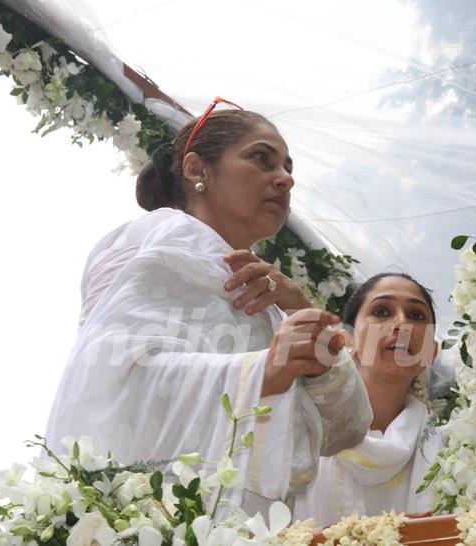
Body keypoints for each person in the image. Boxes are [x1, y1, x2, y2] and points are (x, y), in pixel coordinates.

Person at [45, 99, 372, 514]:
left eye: (289, 169)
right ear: (198, 170)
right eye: (262, 159)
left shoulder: (269, 297)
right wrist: (262, 372)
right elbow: (112, 377)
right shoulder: (164, 235)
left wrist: (305, 318)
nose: (285, 180)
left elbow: (347, 430)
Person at [295, 273, 444, 526]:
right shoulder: (302, 430)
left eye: (416, 316)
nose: (401, 323)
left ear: (431, 353)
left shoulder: (450, 448)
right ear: (347, 339)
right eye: (382, 311)